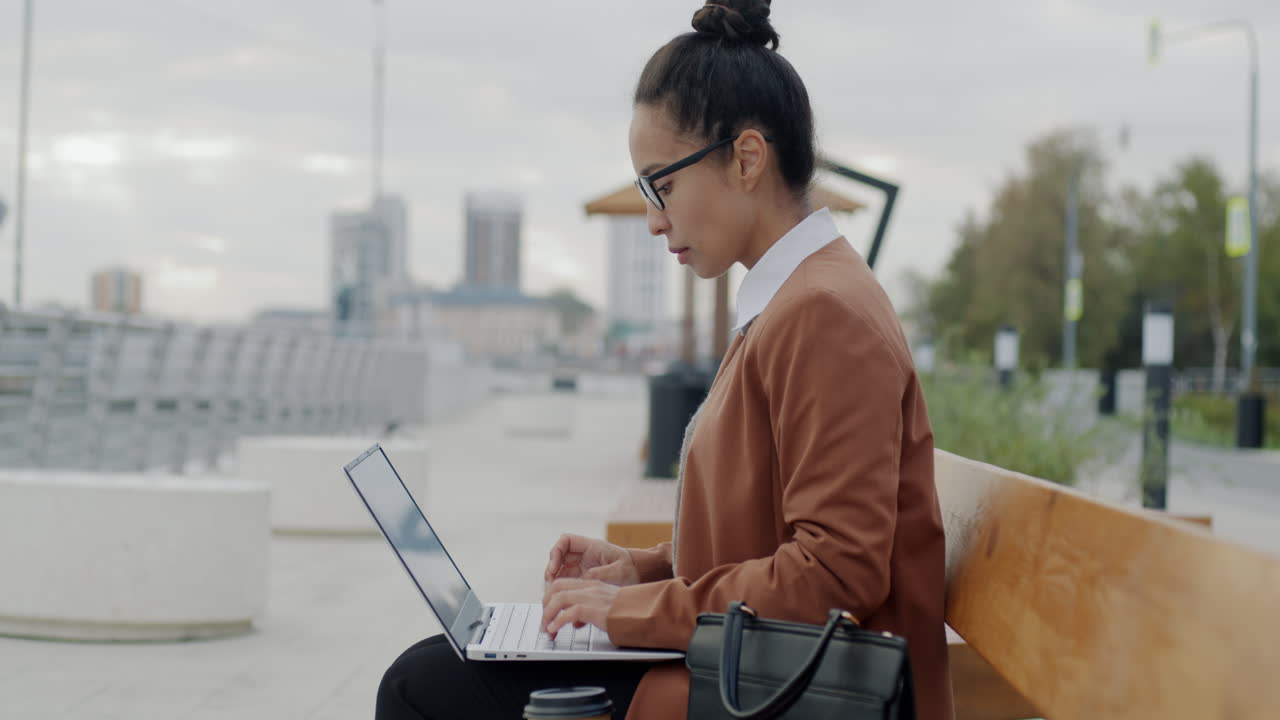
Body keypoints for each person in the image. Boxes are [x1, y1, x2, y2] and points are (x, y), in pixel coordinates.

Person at [377, 2, 952, 718]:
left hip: (796, 692)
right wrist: (641, 572)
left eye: (663, 184)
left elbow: (836, 574)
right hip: (757, 671)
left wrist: (635, 611)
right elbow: (769, 536)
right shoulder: (795, 300)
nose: (654, 218)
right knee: (438, 669)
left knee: (421, 686)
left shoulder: (823, 312)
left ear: (747, 158)